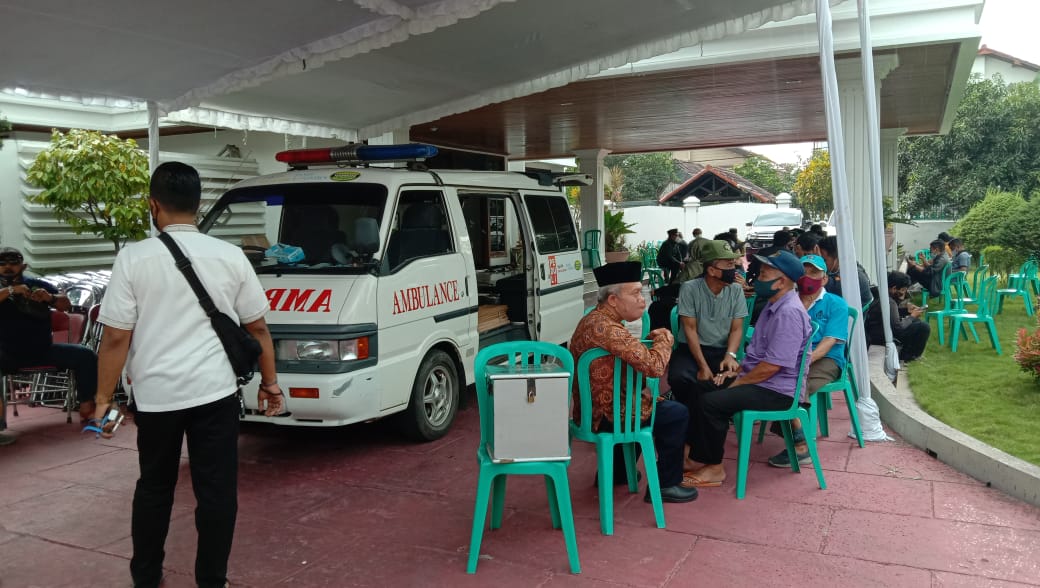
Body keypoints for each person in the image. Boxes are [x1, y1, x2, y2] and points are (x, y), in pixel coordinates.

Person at [90, 162, 284, 588]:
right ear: (198, 206)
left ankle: (146, 577)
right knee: (216, 493)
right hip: (214, 395)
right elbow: (258, 328)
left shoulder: (134, 258)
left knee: (154, 488)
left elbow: (117, 338)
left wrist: (103, 399)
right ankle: (212, 580)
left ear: (153, 205)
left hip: (156, 399)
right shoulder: (230, 256)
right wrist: (270, 384)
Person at [569, 261, 697, 503]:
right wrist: (664, 339)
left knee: (639, 402)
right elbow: (654, 367)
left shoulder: (594, 320)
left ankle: (617, 473)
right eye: (636, 293)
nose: (643, 300)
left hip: (589, 412)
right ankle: (666, 485)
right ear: (613, 300)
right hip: (607, 416)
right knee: (674, 413)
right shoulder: (610, 330)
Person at [684, 250, 811, 487]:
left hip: (778, 391)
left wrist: (740, 381)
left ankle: (714, 468)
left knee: (712, 403)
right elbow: (760, 356)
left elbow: (772, 366)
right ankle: (697, 457)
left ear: (781, 282)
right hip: (764, 381)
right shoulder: (774, 306)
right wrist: (736, 371)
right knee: (700, 387)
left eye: (763, 275)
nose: (756, 279)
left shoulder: (789, 313)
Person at [0, 246, 98, 445]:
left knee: (86, 355)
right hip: (6, 354)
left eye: (13, 263)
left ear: (23, 265)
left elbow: (66, 304)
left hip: (42, 351)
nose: (8, 267)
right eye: (3, 264)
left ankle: (88, 408)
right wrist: (11, 290)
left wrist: (49, 298)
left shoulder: (36, 284)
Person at [666, 241, 746, 471]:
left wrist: (731, 355)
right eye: (729, 264)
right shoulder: (690, 288)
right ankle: (687, 434)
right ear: (711, 269)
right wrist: (702, 365)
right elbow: (689, 329)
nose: (735, 268)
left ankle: (696, 446)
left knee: (722, 387)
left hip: (721, 351)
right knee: (682, 378)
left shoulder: (735, 290)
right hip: (691, 349)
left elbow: (737, 329)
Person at [766, 255, 848, 467]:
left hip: (826, 359)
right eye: (803, 272)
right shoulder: (786, 300)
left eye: (814, 273)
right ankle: (797, 434)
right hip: (789, 356)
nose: (808, 277)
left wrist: (804, 360)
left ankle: (801, 446)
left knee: (795, 384)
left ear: (824, 279)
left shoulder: (836, 304)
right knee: (769, 379)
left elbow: (830, 341)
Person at [865, 271, 930, 362]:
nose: (904, 293)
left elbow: (886, 314)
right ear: (894, 288)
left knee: (915, 323)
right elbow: (898, 328)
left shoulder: (877, 292)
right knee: (923, 326)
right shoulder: (890, 302)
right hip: (879, 336)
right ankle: (909, 356)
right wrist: (912, 316)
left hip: (872, 331)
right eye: (903, 290)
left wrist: (905, 311)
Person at [817, 236, 873, 308]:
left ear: (837, 258)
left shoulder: (853, 275)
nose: (821, 263)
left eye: (824, 260)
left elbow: (827, 285)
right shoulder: (846, 266)